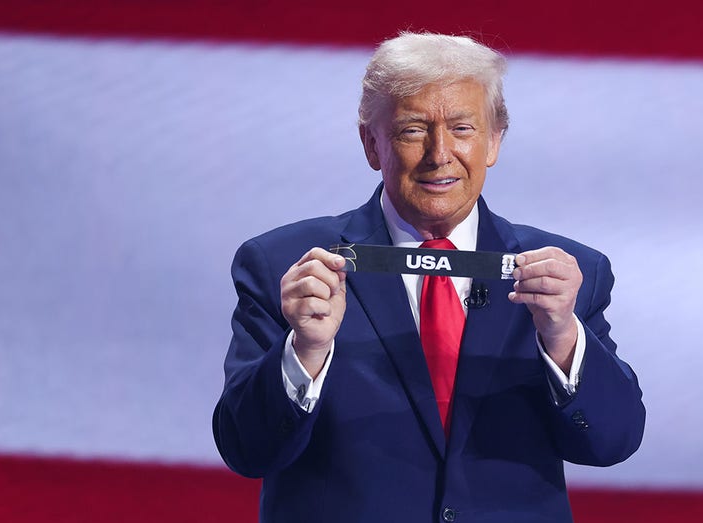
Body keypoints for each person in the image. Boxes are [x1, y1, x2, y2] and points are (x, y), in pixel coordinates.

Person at [213, 32, 645, 523]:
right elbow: (247, 451)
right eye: (412, 130)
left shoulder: (568, 276)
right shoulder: (286, 266)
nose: (439, 154)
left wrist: (563, 336)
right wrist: (305, 351)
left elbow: (612, 442)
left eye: (462, 128)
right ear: (371, 144)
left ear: (494, 141)